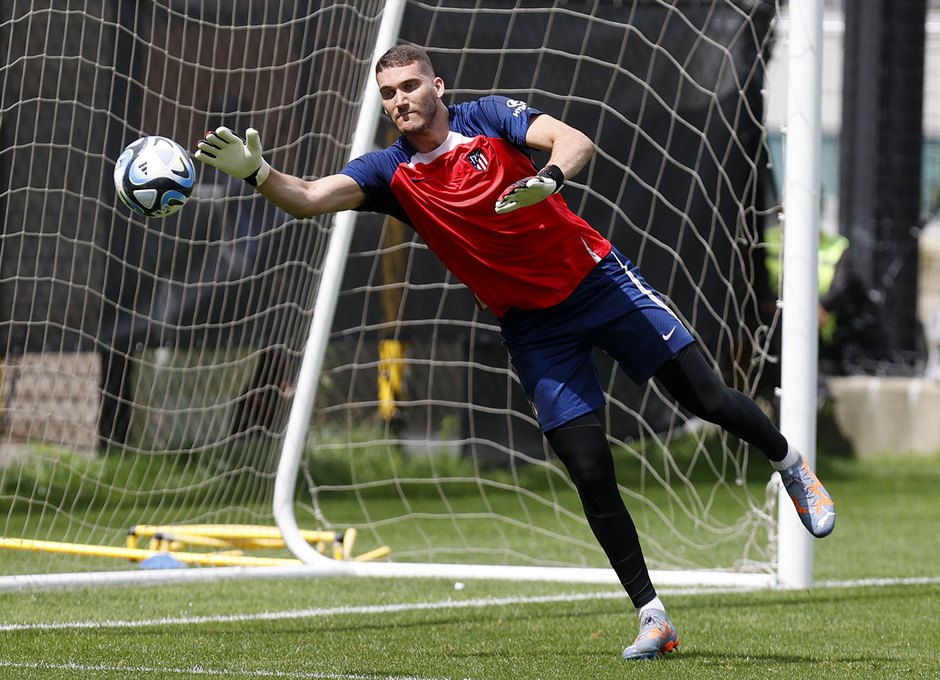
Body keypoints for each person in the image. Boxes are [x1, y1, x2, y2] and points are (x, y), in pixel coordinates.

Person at [195, 44, 835, 661]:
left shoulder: (489, 117)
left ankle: (790, 463)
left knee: (706, 398)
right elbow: (308, 198)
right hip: (535, 330)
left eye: (411, 86)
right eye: (389, 94)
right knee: (586, 465)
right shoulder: (390, 171)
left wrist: (548, 181)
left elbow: (575, 141)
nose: (401, 101)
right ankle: (652, 615)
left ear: (436, 86)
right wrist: (257, 173)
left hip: (600, 283)